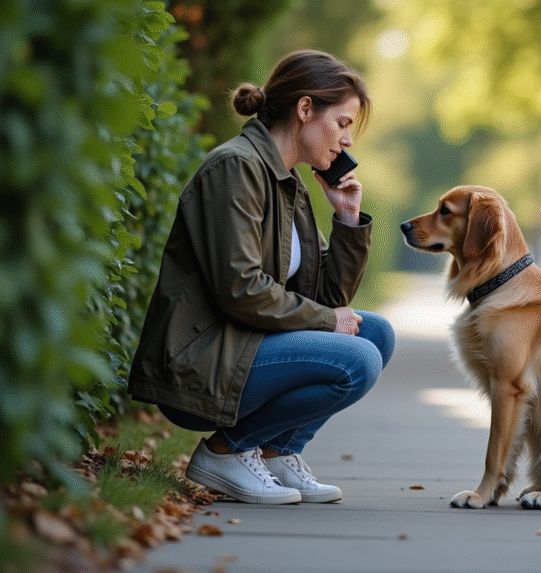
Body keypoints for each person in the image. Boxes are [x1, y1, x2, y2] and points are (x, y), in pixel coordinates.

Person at [128, 49, 395, 505]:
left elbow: (325, 296)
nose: (347, 140)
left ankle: (275, 453)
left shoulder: (288, 184)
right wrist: (330, 323)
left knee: (377, 334)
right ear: (305, 109)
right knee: (359, 360)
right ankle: (224, 452)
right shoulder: (236, 167)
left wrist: (348, 221)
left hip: (244, 343)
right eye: (343, 123)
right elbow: (241, 290)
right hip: (203, 355)